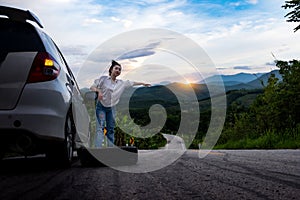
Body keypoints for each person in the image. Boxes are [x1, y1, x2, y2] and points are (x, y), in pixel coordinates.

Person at [90, 60, 150, 147]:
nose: (118, 70)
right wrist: (98, 91)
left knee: (111, 129)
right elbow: (92, 87)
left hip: (112, 108)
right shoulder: (103, 79)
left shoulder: (121, 83)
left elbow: (132, 83)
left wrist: (143, 83)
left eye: (120, 69)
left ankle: (111, 149)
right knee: (100, 128)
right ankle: (98, 149)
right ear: (111, 70)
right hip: (101, 107)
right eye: (116, 68)